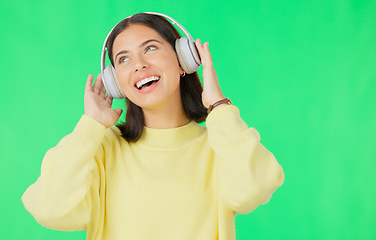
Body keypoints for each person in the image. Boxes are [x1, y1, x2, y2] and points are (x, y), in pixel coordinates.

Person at [22, 12, 284, 240]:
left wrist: (218, 106)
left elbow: (254, 189)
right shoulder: (103, 149)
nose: (139, 65)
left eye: (150, 48)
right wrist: (89, 127)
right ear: (116, 83)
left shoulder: (220, 145)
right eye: (124, 59)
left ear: (183, 60)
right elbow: (50, 209)